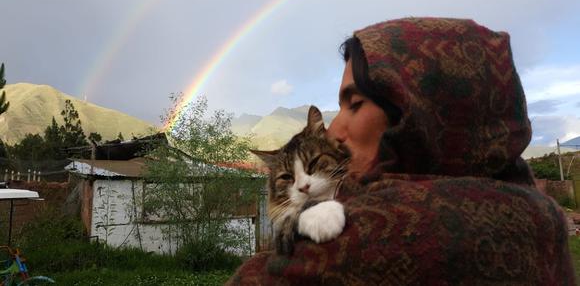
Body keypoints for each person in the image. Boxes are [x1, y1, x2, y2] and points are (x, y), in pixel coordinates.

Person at [227, 17, 575, 285]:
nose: (334, 131)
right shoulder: (540, 215)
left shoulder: (365, 240)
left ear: (419, 111)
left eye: (356, 104)